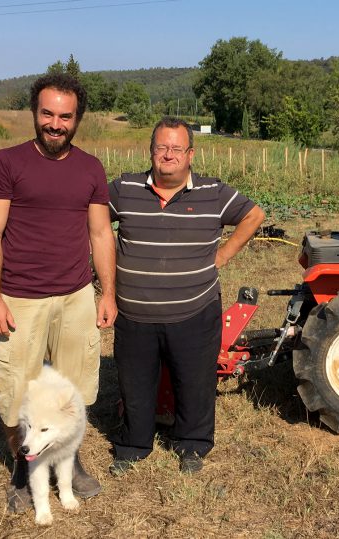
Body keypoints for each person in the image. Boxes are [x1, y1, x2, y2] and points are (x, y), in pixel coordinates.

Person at [0, 73, 117, 512]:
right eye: (48, 114)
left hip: (76, 296)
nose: (55, 124)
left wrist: (106, 293)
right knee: (15, 392)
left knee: (73, 393)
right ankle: (23, 469)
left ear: (77, 120)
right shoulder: (6, 163)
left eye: (65, 116)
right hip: (20, 298)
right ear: (35, 113)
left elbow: (100, 234)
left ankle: (68, 461)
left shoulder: (91, 168)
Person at [108, 117, 264, 475]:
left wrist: (223, 255)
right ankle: (133, 445)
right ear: (151, 150)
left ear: (190, 154)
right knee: (135, 382)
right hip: (134, 313)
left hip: (195, 310)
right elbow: (94, 220)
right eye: (161, 147)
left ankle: (192, 444)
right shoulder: (123, 188)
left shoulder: (213, 192)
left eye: (177, 148)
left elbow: (254, 215)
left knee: (195, 381)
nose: (168, 155)